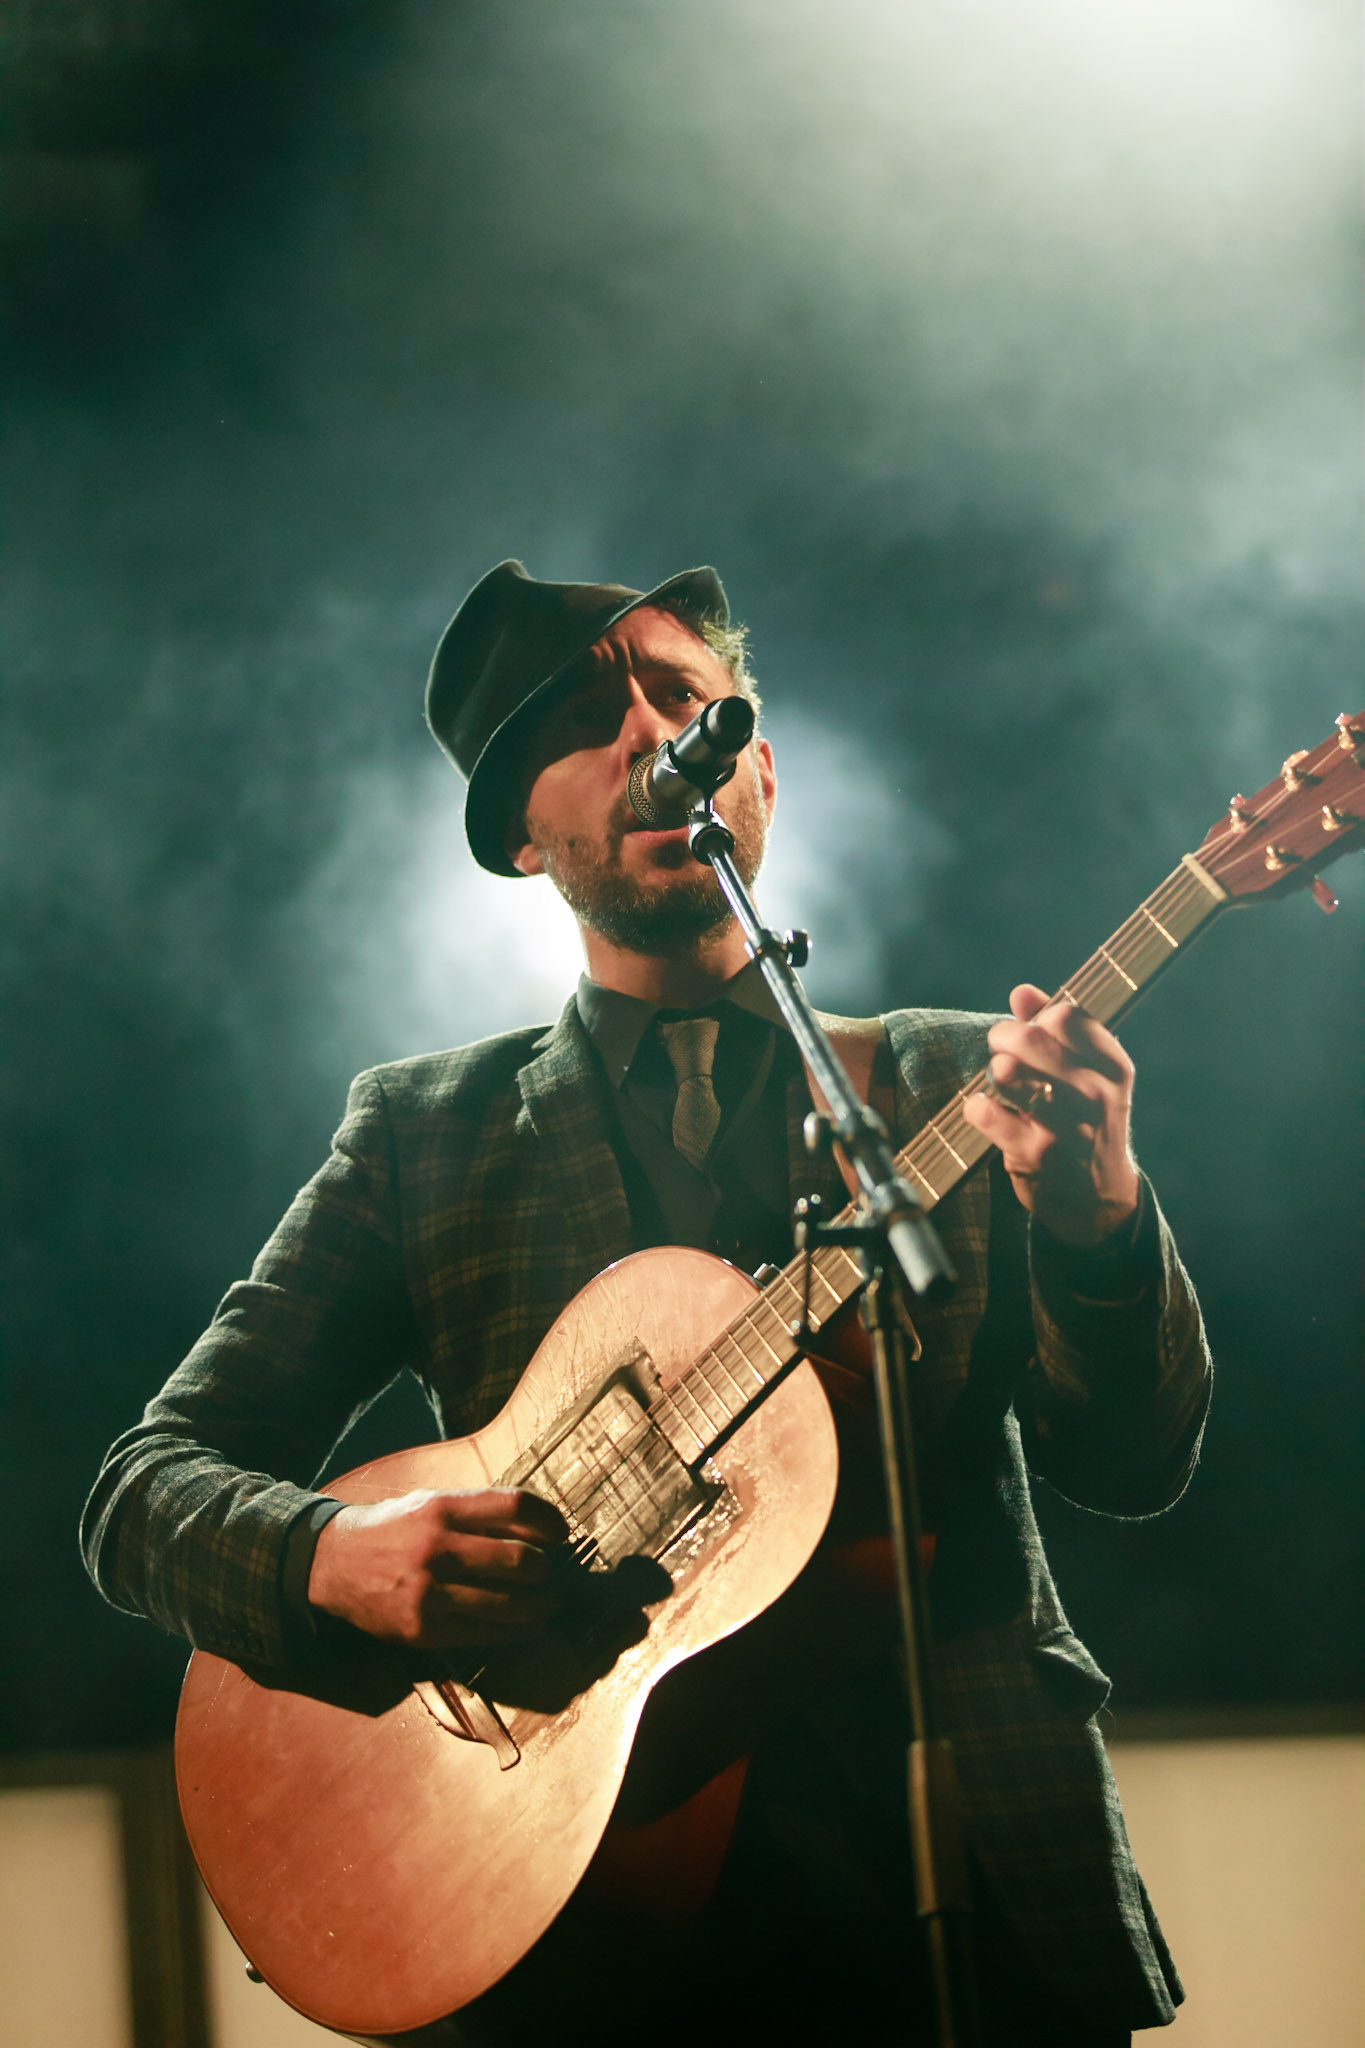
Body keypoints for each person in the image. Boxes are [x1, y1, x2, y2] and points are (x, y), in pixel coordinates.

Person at [83, 562, 1212, 2046]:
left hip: (971, 1907)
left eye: (682, 698)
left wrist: (1093, 1220)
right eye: (577, 717)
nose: (646, 737)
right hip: (570, 1933)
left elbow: (1132, 1465)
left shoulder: (953, 1085)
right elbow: (137, 1498)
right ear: (519, 838)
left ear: (757, 766)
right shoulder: (426, 1138)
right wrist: (333, 1560)